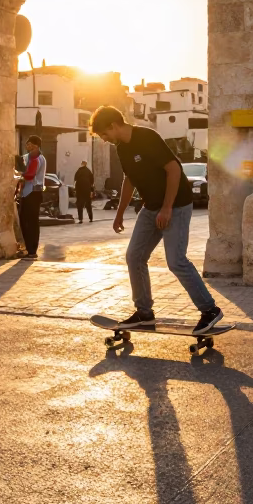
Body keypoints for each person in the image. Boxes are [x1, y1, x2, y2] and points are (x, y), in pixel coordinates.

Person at [89, 106, 223, 334]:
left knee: (176, 261)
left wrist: (167, 208)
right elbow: (129, 179)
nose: (105, 140)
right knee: (134, 256)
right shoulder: (121, 148)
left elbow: (173, 169)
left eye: (104, 134)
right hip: (151, 208)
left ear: (113, 125)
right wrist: (119, 212)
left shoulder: (147, 137)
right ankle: (144, 313)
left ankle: (210, 310)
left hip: (177, 205)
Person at [15, 135, 45, 259]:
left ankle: (31, 250)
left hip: (33, 192)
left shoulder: (37, 158)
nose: (27, 145)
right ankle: (29, 248)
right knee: (27, 221)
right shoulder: (29, 157)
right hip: (28, 192)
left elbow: (30, 175)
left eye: (29, 144)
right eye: (27, 143)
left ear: (35, 145)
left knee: (30, 222)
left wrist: (20, 176)